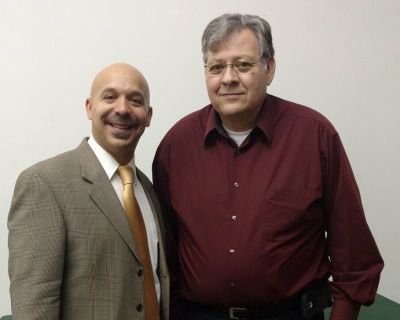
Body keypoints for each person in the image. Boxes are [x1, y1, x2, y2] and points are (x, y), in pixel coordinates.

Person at [152, 13, 383, 320]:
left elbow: (354, 253)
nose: (229, 77)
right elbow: (166, 254)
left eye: (243, 65)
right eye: (217, 67)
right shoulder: (176, 146)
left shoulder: (315, 136)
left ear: (269, 68)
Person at [8, 63, 169, 320]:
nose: (123, 109)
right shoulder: (44, 183)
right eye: (110, 96)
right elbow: (34, 304)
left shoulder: (149, 190)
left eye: (135, 100)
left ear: (148, 116)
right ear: (89, 108)